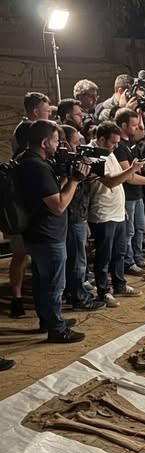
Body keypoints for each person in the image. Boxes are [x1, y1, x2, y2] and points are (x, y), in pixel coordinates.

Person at [17, 120, 88, 342]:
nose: (59, 146)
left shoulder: (25, 160)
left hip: (37, 233)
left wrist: (65, 176)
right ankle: (57, 329)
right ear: (44, 143)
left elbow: (50, 192)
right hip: (47, 235)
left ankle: (47, 321)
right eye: (56, 141)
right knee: (54, 285)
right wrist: (75, 181)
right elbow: (58, 206)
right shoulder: (37, 167)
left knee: (42, 281)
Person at [88, 121, 145, 307]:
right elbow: (110, 182)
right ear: (101, 139)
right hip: (103, 213)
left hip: (117, 211)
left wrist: (123, 207)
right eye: (113, 142)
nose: (116, 146)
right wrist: (131, 169)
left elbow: (119, 181)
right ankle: (103, 291)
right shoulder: (93, 155)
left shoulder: (109, 152)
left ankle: (119, 284)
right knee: (104, 256)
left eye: (118, 142)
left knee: (119, 252)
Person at [9, 92, 52, 317]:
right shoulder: (27, 130)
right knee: (22, 254)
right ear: (35, 111)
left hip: (27, 203)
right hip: (23, 204)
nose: (49, 114)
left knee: (25, 254)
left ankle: (25, 298)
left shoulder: (27, 129)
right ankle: (18, 298)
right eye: (46, 110)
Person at [60, 125, 105, 311]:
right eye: (76, 142)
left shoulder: (74, 162)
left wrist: (86, 175)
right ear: (65, 144)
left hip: (79, 213)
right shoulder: (62, 165)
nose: (80, 147)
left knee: (77, 259)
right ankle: (79, 298)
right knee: (77, 260)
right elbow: (62, 189)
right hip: (73, 216)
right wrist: (74, 176)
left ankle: (73, 293)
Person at [113, 108, 145, 276]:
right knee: (129, 231)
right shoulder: (119, 147)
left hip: (138, 194)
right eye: (133, 125)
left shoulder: (131, 141)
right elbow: (129, 177)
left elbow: (135, 168)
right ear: (123, 125)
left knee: (139, 228)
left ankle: (138, 258)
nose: (137, 128)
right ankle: (128, 262)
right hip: (128, 195)